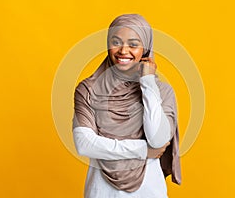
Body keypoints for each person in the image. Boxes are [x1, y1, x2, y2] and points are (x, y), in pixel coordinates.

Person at [72, 14, 181, 198]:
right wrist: (143, 150)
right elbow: (84, 144)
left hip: (149, 192)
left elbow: (157, 140)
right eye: (116, 42)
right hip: (101, 192)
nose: (123, 51)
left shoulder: (162, 92)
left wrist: (147, 82)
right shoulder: (88, 89)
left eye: (133, 44)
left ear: (145, 49)